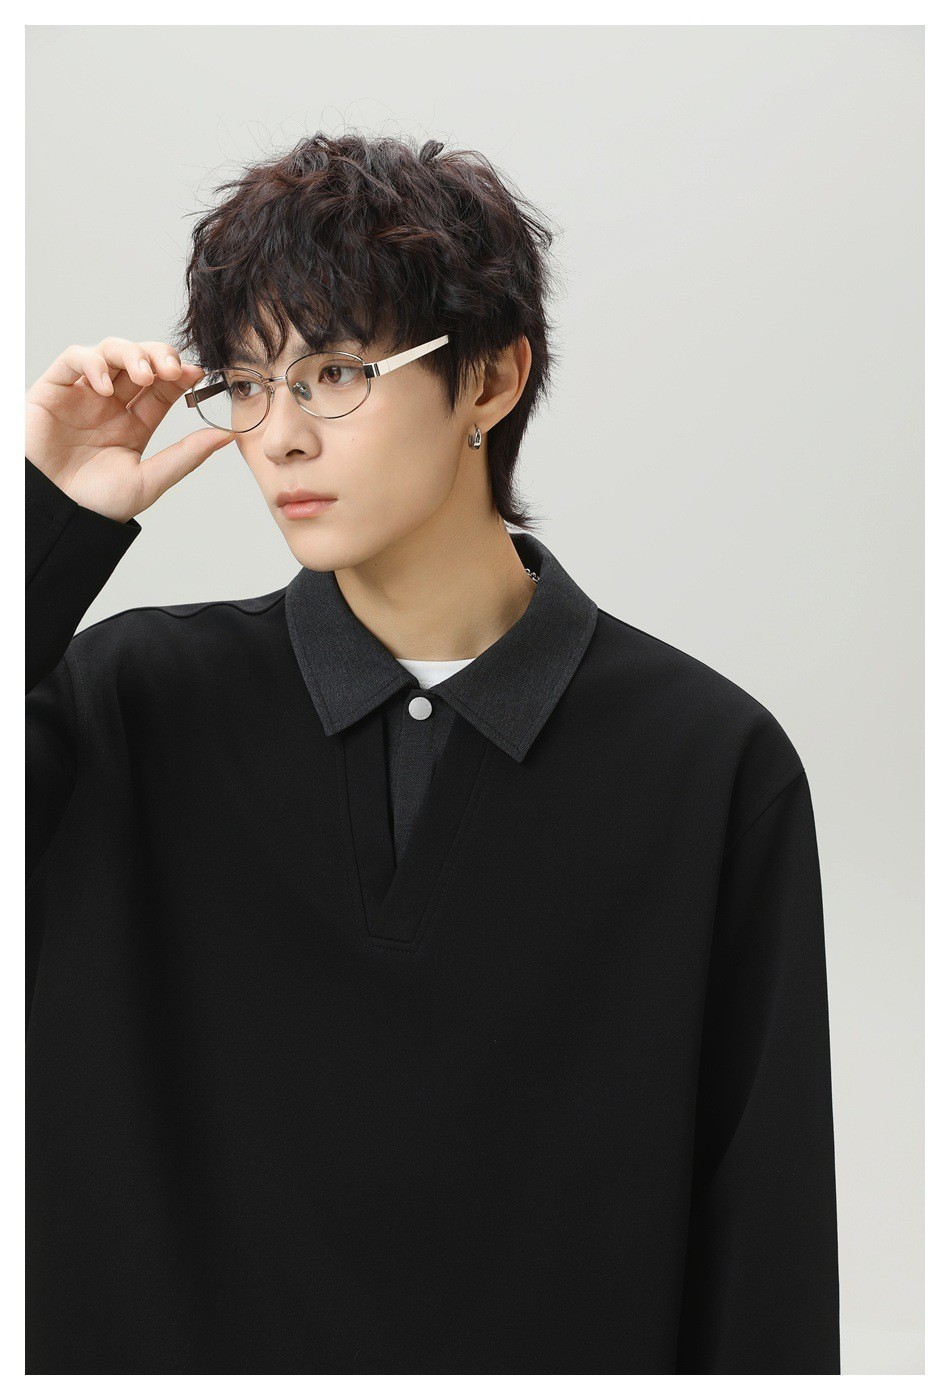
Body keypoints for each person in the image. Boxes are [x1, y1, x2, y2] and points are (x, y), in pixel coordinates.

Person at [25, 132, 840, 1375]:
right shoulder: (125, 702)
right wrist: (43, 532)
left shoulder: (707, 763)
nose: (277, 436)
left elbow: (764, 1244)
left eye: (334, 373)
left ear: (491, 379)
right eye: (245, 383)